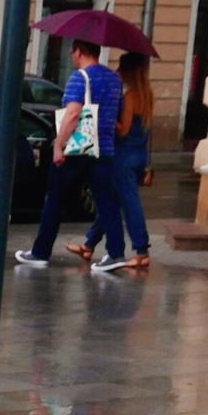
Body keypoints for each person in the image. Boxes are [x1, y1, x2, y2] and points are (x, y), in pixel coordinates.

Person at [17, 39, 127, 271]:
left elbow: (73, 114)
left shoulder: (79, 77)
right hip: (105, 148)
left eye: (73, 51)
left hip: (78, 149)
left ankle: (40, 251)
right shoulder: (115, 79)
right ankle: (116, 253)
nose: (71, 56)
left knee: (55, 199)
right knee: (106, 202)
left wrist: (59, 145)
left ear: (78, 52)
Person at [68, 51, 153, 270]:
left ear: (128, 71)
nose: (117, 72)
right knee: (111, 203)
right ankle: (89, 244)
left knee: (129, 203)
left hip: (123, 156)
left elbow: (123, 130)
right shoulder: (147, 95)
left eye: (120, 68)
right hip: (139, 154)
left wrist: (105, 120)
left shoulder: (130, 96)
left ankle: (142, 250)